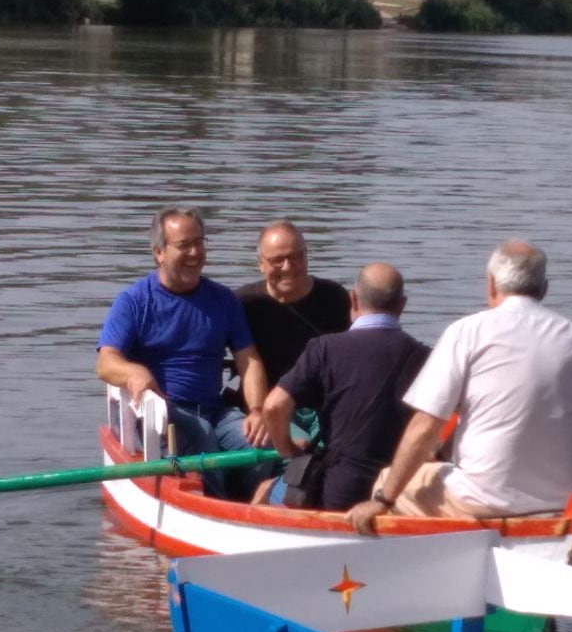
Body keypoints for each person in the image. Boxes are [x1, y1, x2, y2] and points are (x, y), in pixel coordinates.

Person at [346, 239, 572, 535]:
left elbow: (424, 428)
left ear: (491, 285)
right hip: (562, 508)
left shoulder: (466, 332)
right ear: (544, 289)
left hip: (481, 502)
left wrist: (383, 500)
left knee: (387, 480)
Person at [96, 205, 270, 500]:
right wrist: (134, 371)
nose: (194, 253)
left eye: (199, 243)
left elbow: (249, 361)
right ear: (159, 252)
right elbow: (105, 362)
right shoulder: (134, 301)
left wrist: (257, 411)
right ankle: (215, 506)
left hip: (214, 410)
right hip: (164, 415)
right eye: (184, 245)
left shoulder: (223, 299)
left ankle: (250, 505)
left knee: (265, 446)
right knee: (201, 436)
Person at [259, 263, 430, 511]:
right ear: (402, 305)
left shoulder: (324, 349)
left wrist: (287, 448)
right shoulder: (425, 358)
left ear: (353, 299)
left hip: (340, 492)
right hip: (398, 495)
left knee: (265, 489)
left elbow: (274, 406)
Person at [235, 220, 352, 388]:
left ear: (306, 256)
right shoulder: (243, 303)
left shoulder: (335, 298)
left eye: (296, 257)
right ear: (261, 263)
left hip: (321, 404)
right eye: (277, 260)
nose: (287, 267)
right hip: (261, 405)